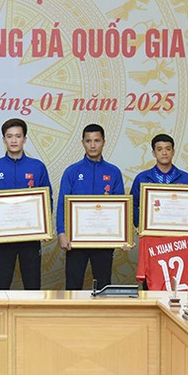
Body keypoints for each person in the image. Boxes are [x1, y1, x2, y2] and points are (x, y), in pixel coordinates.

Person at [0, 118, 52, 290]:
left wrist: (45, 226)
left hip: (31, 236)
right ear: (4, 140)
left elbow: (47, 200)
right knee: (1, 283)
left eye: (18, 136)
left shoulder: (37, 166)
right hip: (3, 236)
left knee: (32, 284)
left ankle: (32, 318)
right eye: (9, 136)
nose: (14, 140)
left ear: (25, 139)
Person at [57, 123, 124, 290]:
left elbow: (121, 207)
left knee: (103, 285)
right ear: (83, 143)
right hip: (75, 240)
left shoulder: (114, 172)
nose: (92, 145)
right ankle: (71, 316)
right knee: (73, 284)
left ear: (104, 142)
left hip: (104, 240)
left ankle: (103, 317)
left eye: (96, 141)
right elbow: (61, 204)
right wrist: (61, 232)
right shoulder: (71, 171)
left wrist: (123, 236)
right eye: (88, 141)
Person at [129, 133, 188, 228]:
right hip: (151, 234)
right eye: (159, 149)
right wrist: (142, 225)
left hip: (180, 233)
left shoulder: (186, 178)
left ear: (173, 152)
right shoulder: (142, 178)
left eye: (168, 149)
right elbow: (133, 206)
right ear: (154, 153)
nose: (164, 153)